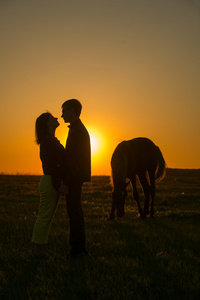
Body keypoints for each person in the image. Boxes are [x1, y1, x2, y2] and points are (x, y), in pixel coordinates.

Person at [32, 112, 67, 257]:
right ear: (47, 123)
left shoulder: (51, 140)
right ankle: (39, 249)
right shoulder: (48, 142)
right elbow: (51, 166)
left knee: (47, 217)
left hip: (51, 180)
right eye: (53, 117)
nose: (57, 118)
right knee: (44, 217)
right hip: (50, 180)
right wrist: (58, 184)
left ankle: (42, 248)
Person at [60, 99, 91, 258]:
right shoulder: (76, 129)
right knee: (75, 212)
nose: (62, 114)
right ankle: (79, 248)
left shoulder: (78, 131)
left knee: (74, 213)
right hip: (75, 177)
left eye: (64, 110)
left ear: (73, 110)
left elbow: (76, 161)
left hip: (74, 178)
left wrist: (66, 183)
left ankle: (78, 249)